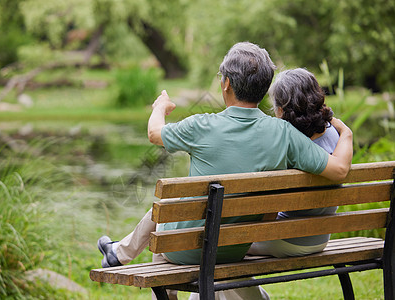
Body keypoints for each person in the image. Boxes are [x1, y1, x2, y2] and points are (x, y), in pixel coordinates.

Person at [97, 42, 353, 299]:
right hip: (235, 247)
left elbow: (154, 133)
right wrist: (346, 133)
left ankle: (121, 253)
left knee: (166, 218)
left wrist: (160, 108)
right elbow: (339, 169)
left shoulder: (202, 125)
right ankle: (119, 252)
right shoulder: (285, 133)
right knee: (172, 214)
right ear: (264, 89)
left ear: (227, 83)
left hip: (186, 249)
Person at [247, 68, 341, 258]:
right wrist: (348, 133)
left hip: (286, 239)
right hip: (320, 239)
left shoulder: (285, 146)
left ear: (281, 110)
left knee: (221, 248)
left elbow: (269, 213)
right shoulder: (334, 133)